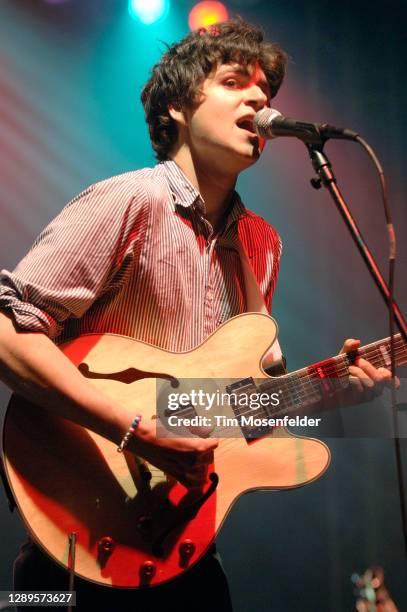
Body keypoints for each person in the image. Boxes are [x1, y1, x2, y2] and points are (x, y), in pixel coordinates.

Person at [0, 18, 394, 612]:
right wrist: (132, 428)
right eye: (236, 82)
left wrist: (330, 392)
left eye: (266, 92)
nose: (260, 100)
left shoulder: (260, 245)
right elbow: (7, 332)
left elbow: (228, 413)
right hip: (74, 549)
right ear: (179, 108)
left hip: (183, 548)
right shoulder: (128, 200)